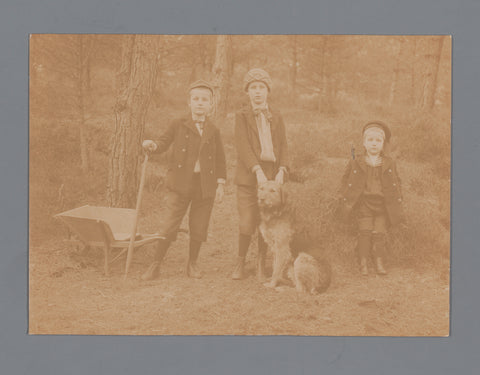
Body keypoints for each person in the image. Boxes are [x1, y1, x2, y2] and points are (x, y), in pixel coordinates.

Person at [141, 80, 226, 280]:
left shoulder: (213, 130)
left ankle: (192, 264)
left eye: (205, 100)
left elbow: (221, 159)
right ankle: (156, 264)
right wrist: (152, 145)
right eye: (196, 99)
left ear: (211, 105)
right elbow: (163, 142)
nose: (200, 103)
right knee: (169, 225)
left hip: (204, 185)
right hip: (180, 184)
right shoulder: (178, 123)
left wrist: (221, 183)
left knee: (199, 225)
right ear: (189, 102)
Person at [231, 68, 289, 281]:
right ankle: (240, 262)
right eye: (253, 88)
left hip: (272, 176)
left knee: (269, 220)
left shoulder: (277, 116)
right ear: (247, 92)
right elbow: (242, 145)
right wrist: (256, 170)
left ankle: (261, 264)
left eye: (261, 88)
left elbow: (283, 145)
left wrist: (282, 169)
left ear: (268, 91)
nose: (257, 92)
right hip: (248, 177)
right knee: (247, 220)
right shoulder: (241, 116)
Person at [337, 121, 405, 275]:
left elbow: (397, 181)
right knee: (365, 231)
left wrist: (399, 198)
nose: (374, 144)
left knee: (379, 233)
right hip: (364, 204)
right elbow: (345, 179)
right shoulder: (356, 161)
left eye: (378, 141)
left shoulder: (389, 162)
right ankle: (363, 263)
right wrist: (343, 195)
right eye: (370, 140)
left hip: (383, 205)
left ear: (383, 144)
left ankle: (379, 261)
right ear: (364, 143)